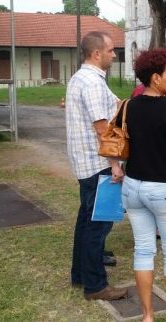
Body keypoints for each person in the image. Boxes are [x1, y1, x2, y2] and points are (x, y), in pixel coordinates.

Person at [122, 48, 166, 322]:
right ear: (155, 78)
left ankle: (148, 315)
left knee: (143, 250)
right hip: (163, 190)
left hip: (132, 188)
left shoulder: (130, 106)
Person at [66, 31, 127, 301]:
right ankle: (96, 286)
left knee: (85, 222)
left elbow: (118, 104)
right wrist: (115, 164)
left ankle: (80, 275)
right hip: (97, 164)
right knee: (98, 225)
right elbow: (103, 129)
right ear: (96, 53)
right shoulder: (91, 83)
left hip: (87, 163)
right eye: (111, 50)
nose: (114, 54)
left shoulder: (86, 79)